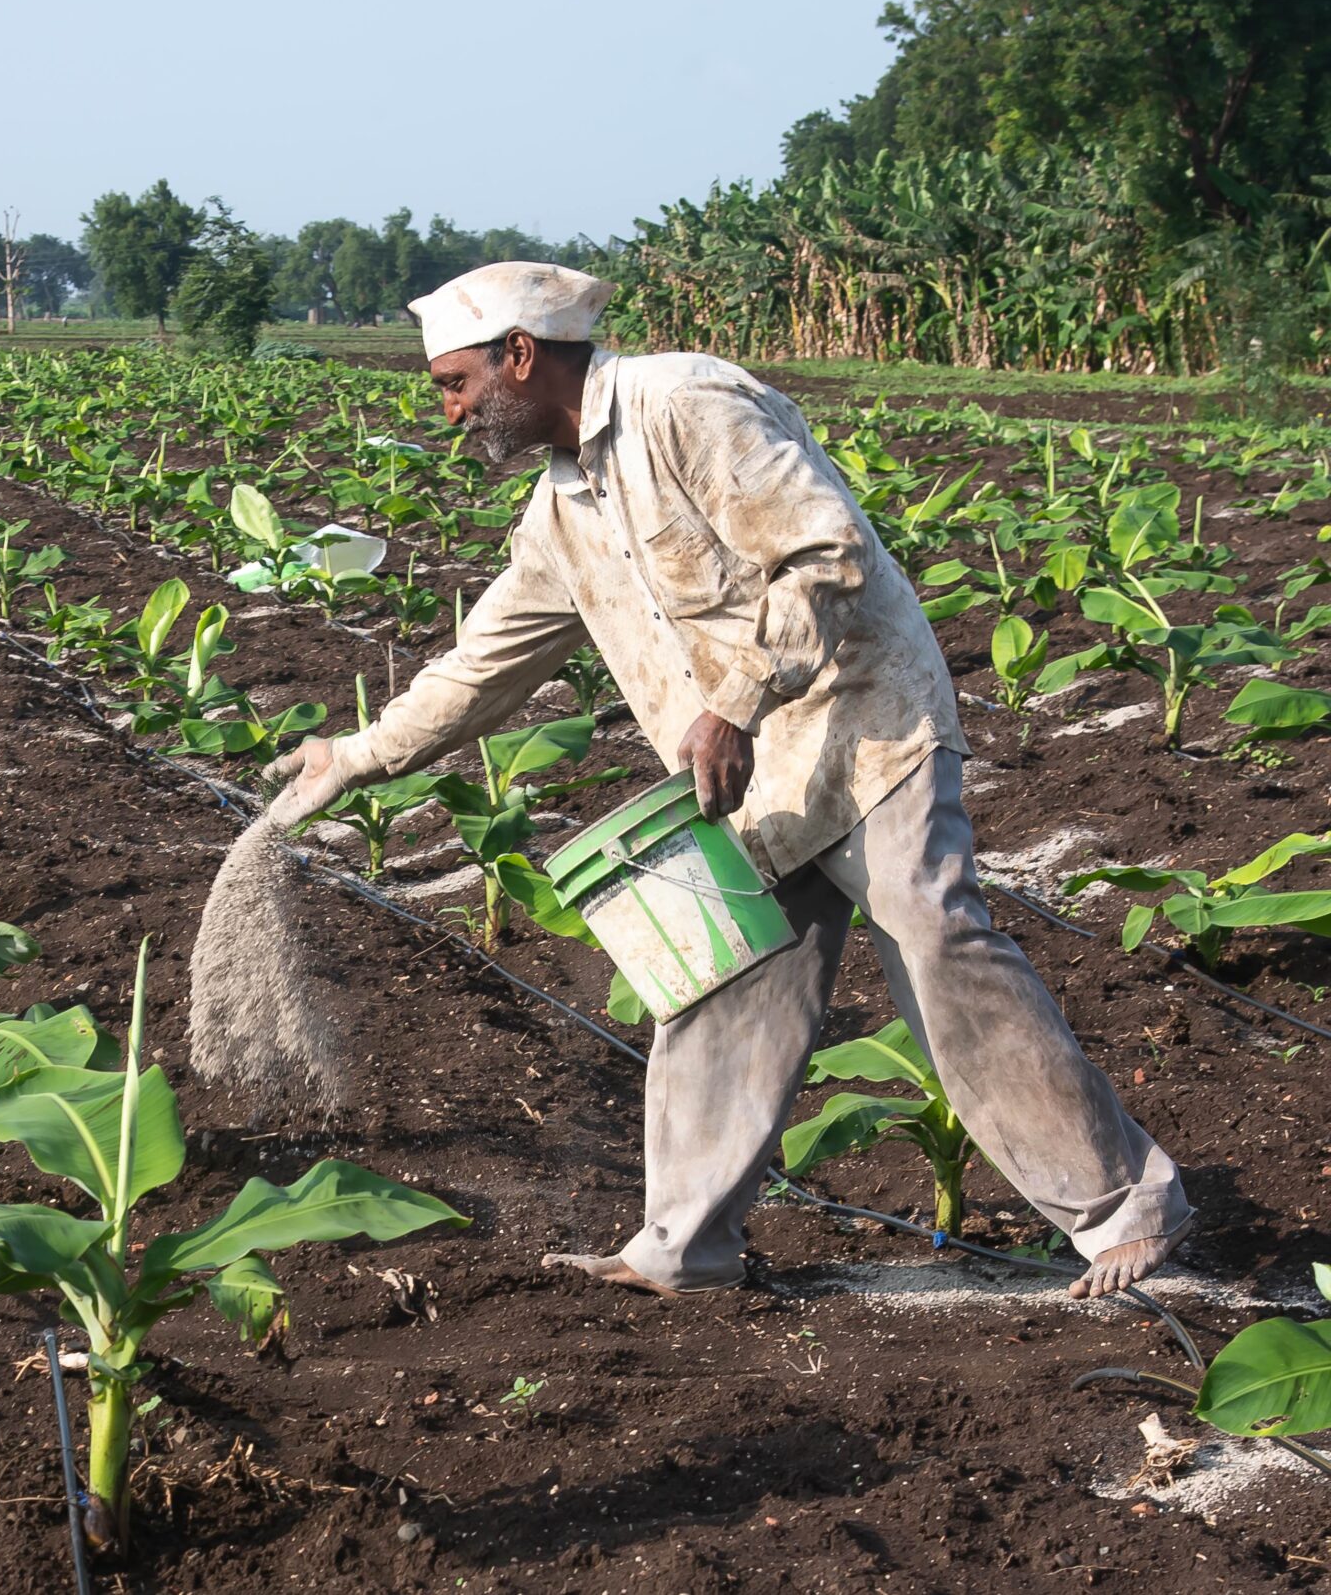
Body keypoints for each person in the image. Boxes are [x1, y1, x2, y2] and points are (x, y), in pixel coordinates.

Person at [264, 262, 1191, 1301]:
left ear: (519, 355)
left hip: (862, 720)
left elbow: (825, 552)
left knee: (934, 935)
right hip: (741, 764)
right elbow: (482, 666)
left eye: (455, 383)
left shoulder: (682, 402)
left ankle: (1127, 1205)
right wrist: (354, 756)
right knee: (720, 978)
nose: (449, 413)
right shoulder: (559, 512)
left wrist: (739, 700)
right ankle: (685, 1247)